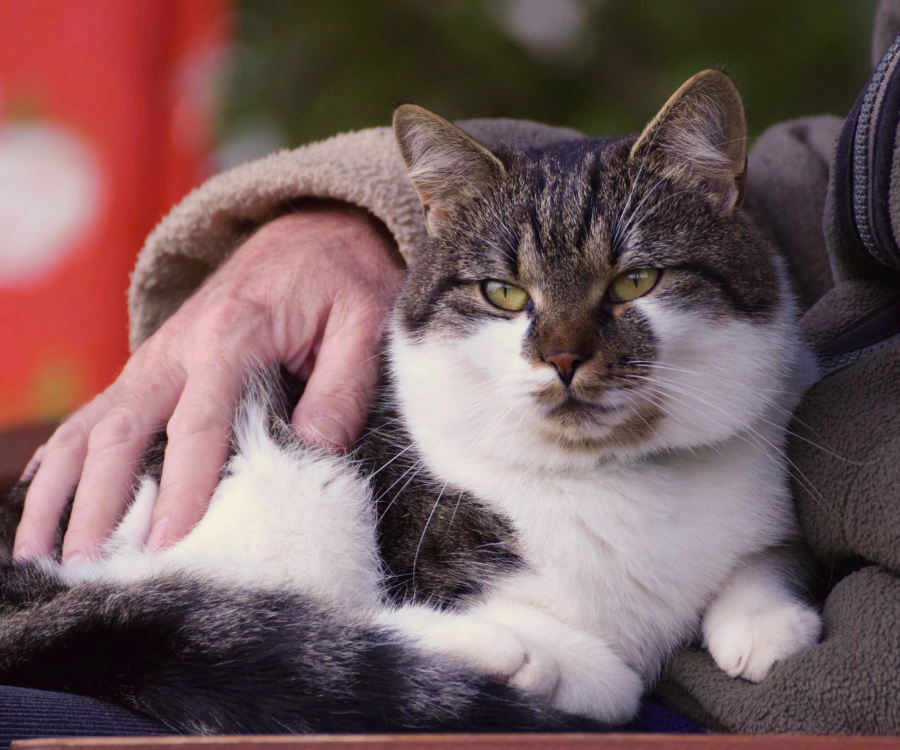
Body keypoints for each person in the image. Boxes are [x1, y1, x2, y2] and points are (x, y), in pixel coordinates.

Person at [6, 0, 900, 740]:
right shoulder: (423, 475)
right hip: (96, 592)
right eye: (511, 301)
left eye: (628, 284)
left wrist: (756, 583)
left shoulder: (769, 451)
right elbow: (843, 168)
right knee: (310, 504)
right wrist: (343, 209)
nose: (565, 351)